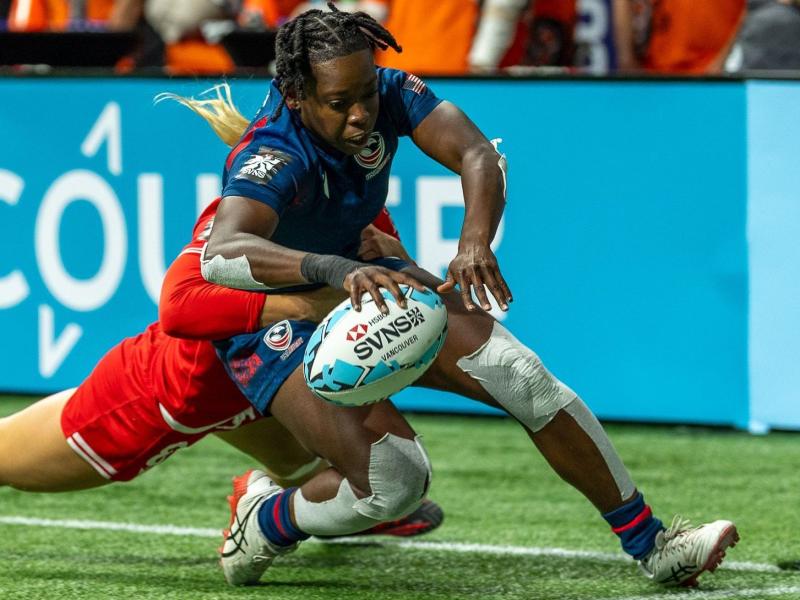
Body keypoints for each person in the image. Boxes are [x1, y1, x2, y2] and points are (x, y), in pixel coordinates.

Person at [170, 3, 739, 588]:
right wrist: (331, 267)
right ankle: (268, 520)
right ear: (297, 96)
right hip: (280, 323)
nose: (362, 115)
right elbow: (221, 254)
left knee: (521, 375)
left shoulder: (386, 91)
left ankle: (654, 544)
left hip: (369, 284)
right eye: (340, 103)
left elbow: (478, 154)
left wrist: (472, 244)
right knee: (395, 483)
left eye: (366, 92)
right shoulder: (273, 154)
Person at [0, 194, 442, 537]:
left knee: (304, 456)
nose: (362, 122)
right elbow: (183, 310)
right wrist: (307, 305)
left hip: (256, 390)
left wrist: (403, 265)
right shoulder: (251, 209)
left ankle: (344, 515)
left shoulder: (364, 210)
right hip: (169, 393)